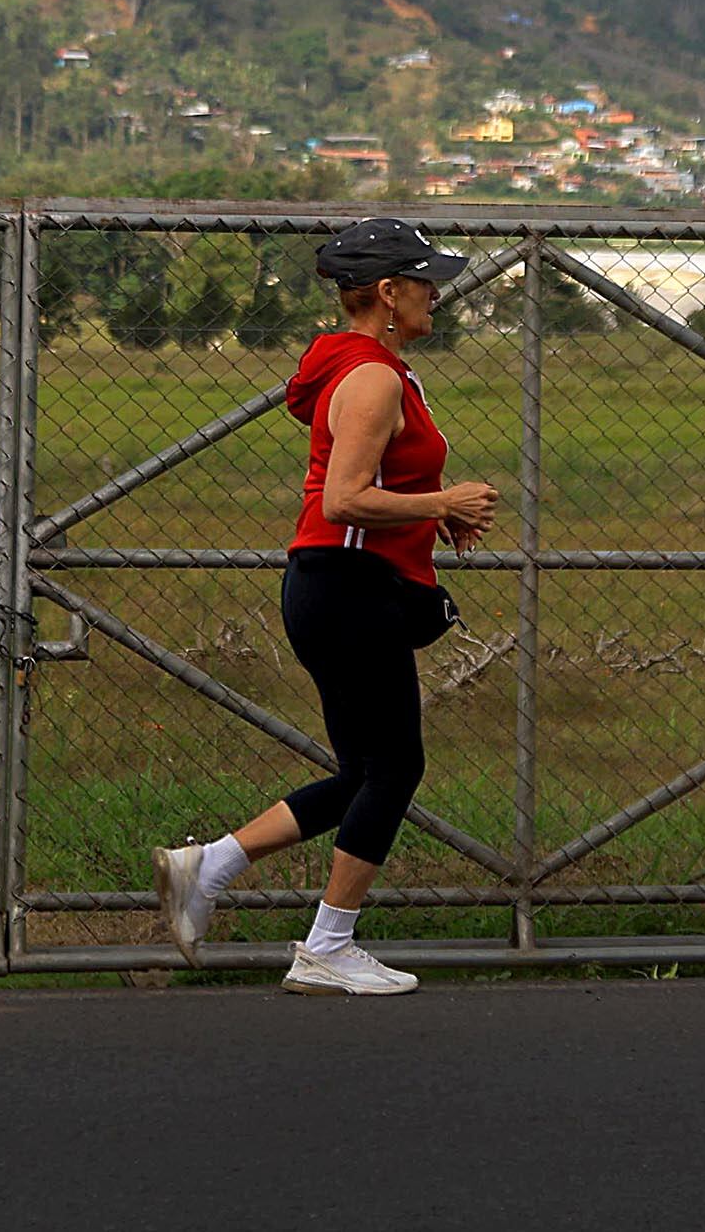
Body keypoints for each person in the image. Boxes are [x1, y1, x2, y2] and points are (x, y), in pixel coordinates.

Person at [154, 218, 497, 996]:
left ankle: (205, 866)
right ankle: (326, 945)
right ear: (387, 291)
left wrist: (424, 508)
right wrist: (440, 497)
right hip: (347, 585)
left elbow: (362, 483)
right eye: (425, 279)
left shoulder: (364, 364)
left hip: (333, 582)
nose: (436, 292)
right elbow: (344, 498)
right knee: (397, 765)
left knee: (364, 771)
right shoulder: (372, 375)